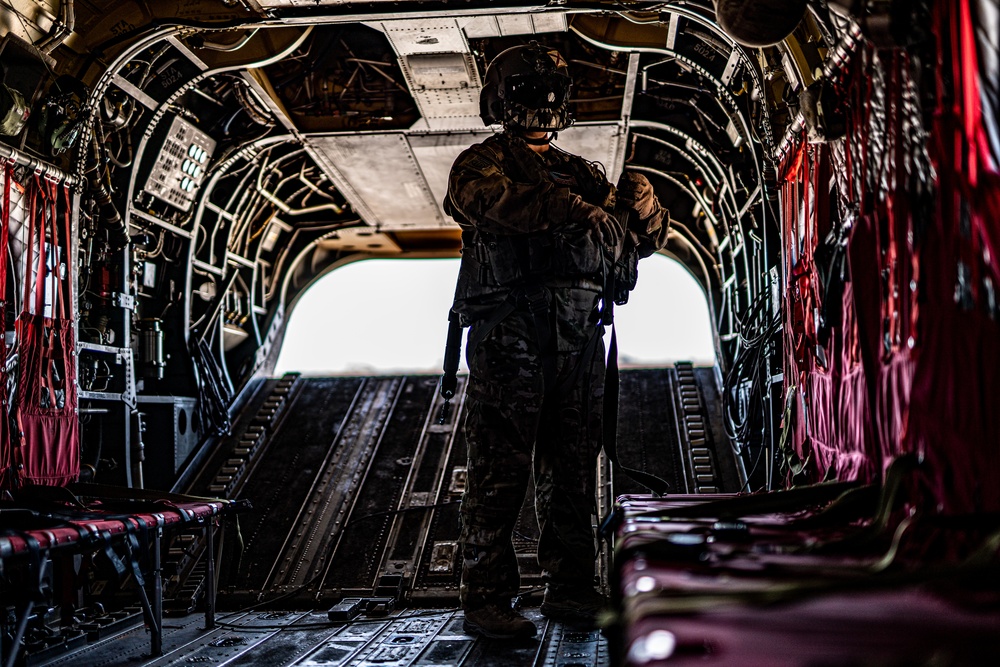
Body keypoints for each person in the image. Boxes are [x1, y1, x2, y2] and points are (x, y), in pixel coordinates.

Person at [443, 42, 669, 640]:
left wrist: (647, 213)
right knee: (500, 470)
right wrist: (571, 208)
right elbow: (482, 202)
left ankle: (571, 589)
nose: (541, 106)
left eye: (549, 94)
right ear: (502, 102)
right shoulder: (479, 164)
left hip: (579, 336)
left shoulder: (582, 174)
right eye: (527, 93)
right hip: (512, 335)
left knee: (572, 469)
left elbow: (632, 240)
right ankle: (487, 598)